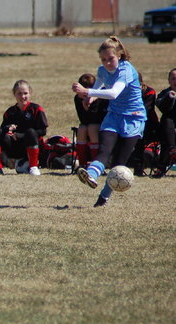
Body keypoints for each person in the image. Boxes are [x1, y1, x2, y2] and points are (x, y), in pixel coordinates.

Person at [73, 36, 147, 207]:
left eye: (110, 58)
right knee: (104, 150)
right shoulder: (102, 70)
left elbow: (113, 93)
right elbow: (100, 83)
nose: (107, 63)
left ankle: (103, 198)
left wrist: (87, 92)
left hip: (133, 119)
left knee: (118, 165)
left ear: (119, 55)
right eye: (103, 59)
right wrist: (90, 97)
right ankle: (91, 175)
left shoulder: (126, 70)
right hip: (113, 116)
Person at [0, 80, 48, 176]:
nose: (23, 96)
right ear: (14, 94)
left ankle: (33, 167)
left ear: (30, 93)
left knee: (31, 132)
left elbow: (43, 131)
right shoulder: (10, 112)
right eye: (19, 93)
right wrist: (8, 129)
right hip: (14, 148)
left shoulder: (36, 109)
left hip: (30, 147)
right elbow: (2, 130)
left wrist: (20, 135)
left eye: (25, 93)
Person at [74, 73, 107, 170]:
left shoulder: (100, 97)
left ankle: (95, 164)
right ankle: (82, 164)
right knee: (82, 128)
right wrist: (84, 106)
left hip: (102, 124)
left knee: (92, 128)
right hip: (88, 124)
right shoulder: (78, 98)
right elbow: (83, 119)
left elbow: (99, 116)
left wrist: (90, 105)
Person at [153, 68, 176, 178]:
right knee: (167, 121)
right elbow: (163, 108)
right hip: (168, 127)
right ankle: (172, 150)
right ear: (169, 81)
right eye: (173, 78)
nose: (175, 81)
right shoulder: (165, 93)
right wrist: (170, 97)